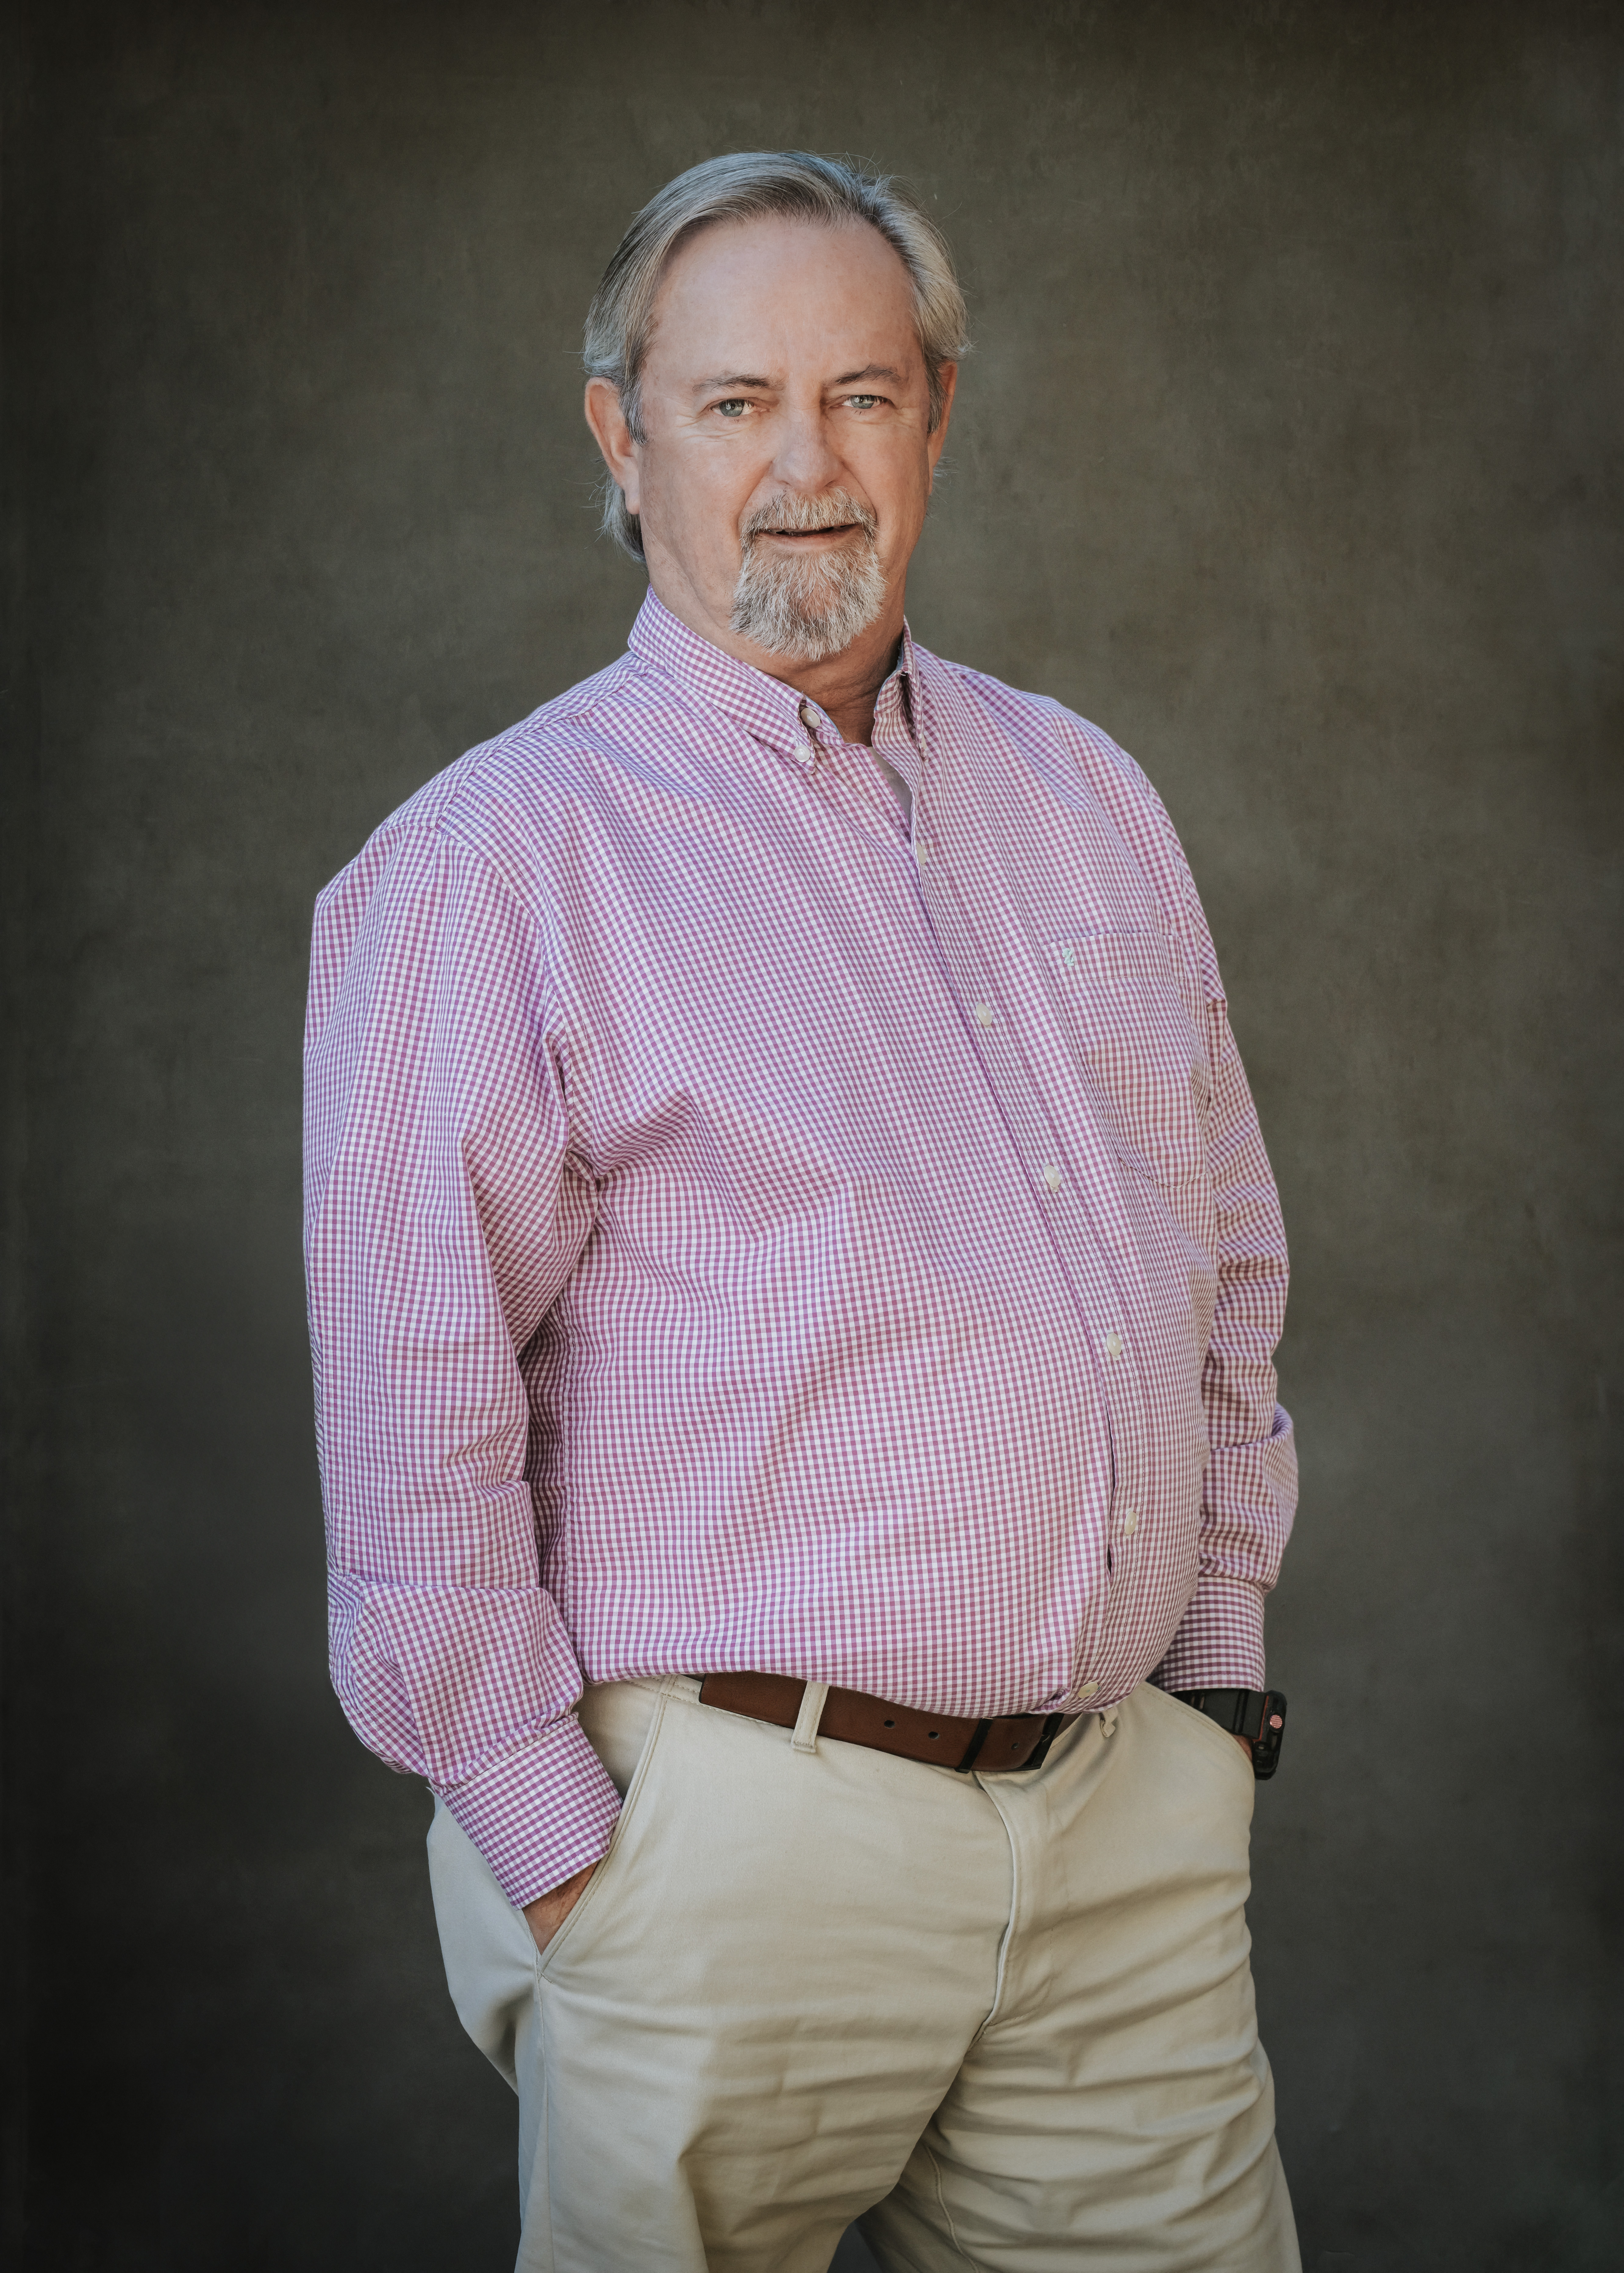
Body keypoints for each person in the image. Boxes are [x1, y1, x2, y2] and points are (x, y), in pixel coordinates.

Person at [302, 150, 1301, 2273]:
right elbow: (416, 1411)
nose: (807, 467)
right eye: (735, 402)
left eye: (860, 397)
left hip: (1121, 1834)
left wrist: (1211, 1702)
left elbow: (1226, 1266)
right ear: (622, 435)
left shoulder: (1088, 795)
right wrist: (585, 1862)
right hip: (732, 1848)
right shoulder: (497, 863)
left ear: (935, 415)